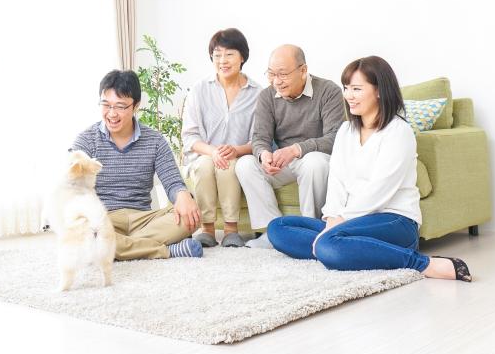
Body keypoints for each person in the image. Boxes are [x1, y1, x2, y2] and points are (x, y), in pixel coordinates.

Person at [267, 56, 472, 281]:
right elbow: (337, 181)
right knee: (277, 228)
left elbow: (380, 189)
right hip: (349, 222)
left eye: (356, 89)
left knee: (328, 244)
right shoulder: (346, 130)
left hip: (394, 220)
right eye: (346, 88)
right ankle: (349, 248)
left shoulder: (398, 131)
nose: (348, 96)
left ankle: (422, 263)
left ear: (379, 91)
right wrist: (332, 218)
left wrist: (341, 221)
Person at [70, 70, 204, 260]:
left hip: (143, 219)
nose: (112, 113)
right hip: (103, 217)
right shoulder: (86, 140)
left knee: (190, 216)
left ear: (136, 106)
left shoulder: (155, 141)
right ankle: (167, 250)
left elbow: (173, 182)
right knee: (82, 231)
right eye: (106, 105)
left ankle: (116, 245)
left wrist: (183, 195)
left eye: (120, 106)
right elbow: (71, 181)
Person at [236, 45, 345, 248]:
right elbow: (260, 137)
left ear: (303, 71)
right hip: (283, 162)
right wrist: (264, 154)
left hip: (315, 158)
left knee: (314, 163)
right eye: (271, 74)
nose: (276, 81)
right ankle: (273, 232)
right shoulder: (267, 96)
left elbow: (335, 138)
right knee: (245, 164)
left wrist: (296, 149)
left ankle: (310, 231)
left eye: (283, 74)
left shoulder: (329, 91)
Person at [181, 28, 260, 248]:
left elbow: (259, 138)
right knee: (206, 164)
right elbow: (189, 136)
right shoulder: (199, 89)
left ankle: (231, 230)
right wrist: (213, 151)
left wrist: (236, 150)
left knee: (228, 165)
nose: (222, 61)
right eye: (217, 55)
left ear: (242, 57)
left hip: (239, 156)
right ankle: (207, 229)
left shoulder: (257, 93)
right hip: (203, 155)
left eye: (229, 54)